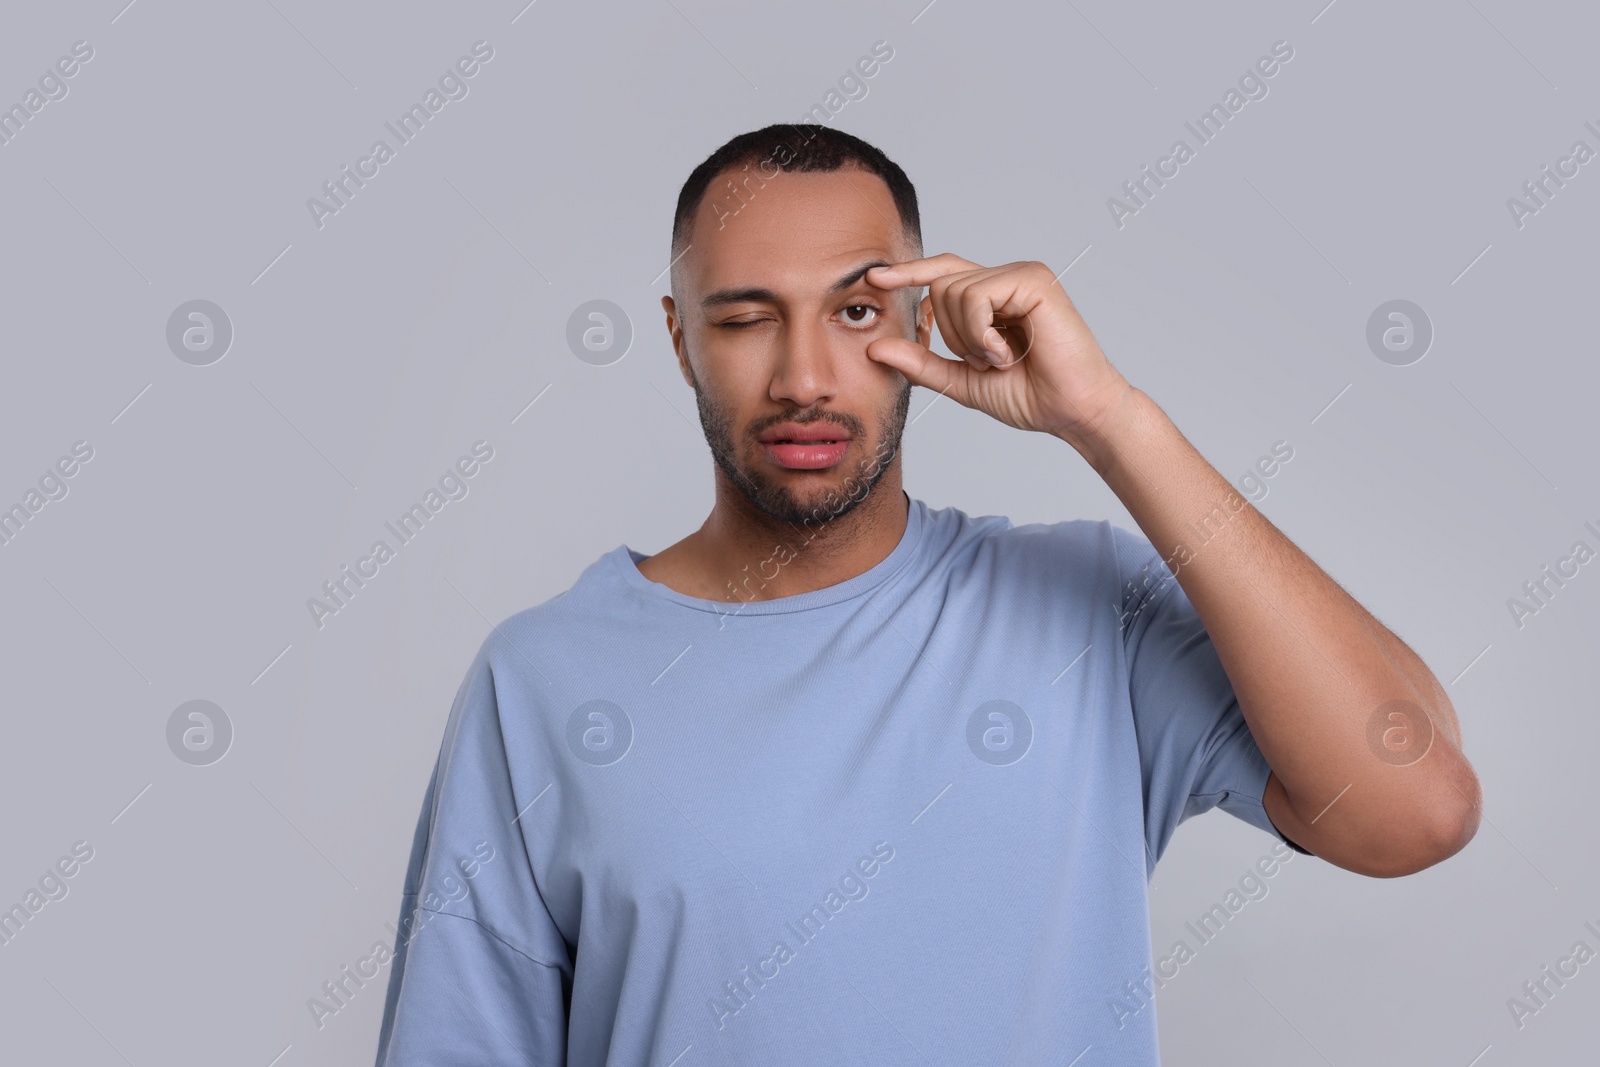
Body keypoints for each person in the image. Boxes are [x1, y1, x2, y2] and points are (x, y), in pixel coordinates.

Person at [372, 123, 1480, 1065]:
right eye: (745, 315)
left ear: (918, 322)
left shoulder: (1089, 609)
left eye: (856, 312)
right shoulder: (542, 678)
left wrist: (1112, 421)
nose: (803, 376)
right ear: (678, 339)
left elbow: (1415, 806)